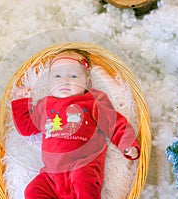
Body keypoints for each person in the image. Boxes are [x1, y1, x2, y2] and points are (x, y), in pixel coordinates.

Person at [11, 49, 140, 199]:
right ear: (49, 82)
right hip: (51, 176)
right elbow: (26, 127)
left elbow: (114, 123)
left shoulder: (92, 101)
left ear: (88, 82)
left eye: (73, 75)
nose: (64, 81)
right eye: (57, 76)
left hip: (82, 166)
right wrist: (20, 102)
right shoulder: (45, 105)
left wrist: (127, 143)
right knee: (32, 191)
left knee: (83, 183)